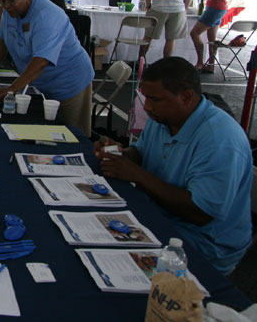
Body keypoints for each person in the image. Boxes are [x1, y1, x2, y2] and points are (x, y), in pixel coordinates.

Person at [94, 57, 252, 274]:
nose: (147, 107)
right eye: (146, 97)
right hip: (159, 217)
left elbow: (200, 214)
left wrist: (136, 175)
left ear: (186, 97)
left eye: (155, 99)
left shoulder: (220, 139)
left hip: (203, 244)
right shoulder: (164, 118)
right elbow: (141, 153)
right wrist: (119, 154)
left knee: (108, 265)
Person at [0, 0, 95, 135]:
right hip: (39, 84)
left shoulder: (47, 17)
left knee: (72, 136)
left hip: (69, 83)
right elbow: (1, 41)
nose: (7, 7)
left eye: (11, 1)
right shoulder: (10, 9)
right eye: (2, 2)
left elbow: (41, 60)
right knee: (43, 134)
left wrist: (11, 89)